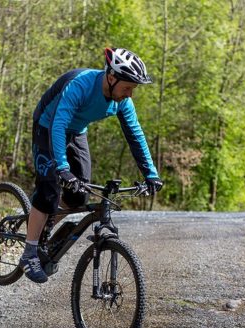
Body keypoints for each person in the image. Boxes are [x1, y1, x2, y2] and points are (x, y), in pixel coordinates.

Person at [18, 47, 164, 283]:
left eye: (133, 89)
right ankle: (29, 252)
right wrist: (62, 168)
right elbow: (59, 123)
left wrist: (151, 174)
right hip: (48, 125)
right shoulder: (81, 85)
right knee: (49, 189)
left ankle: (45, 227)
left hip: (76, 131)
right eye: (127, 88)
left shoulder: (122, 102)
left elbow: (135, 135)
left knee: (79, 195)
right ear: (111, 77)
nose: (130, 94)